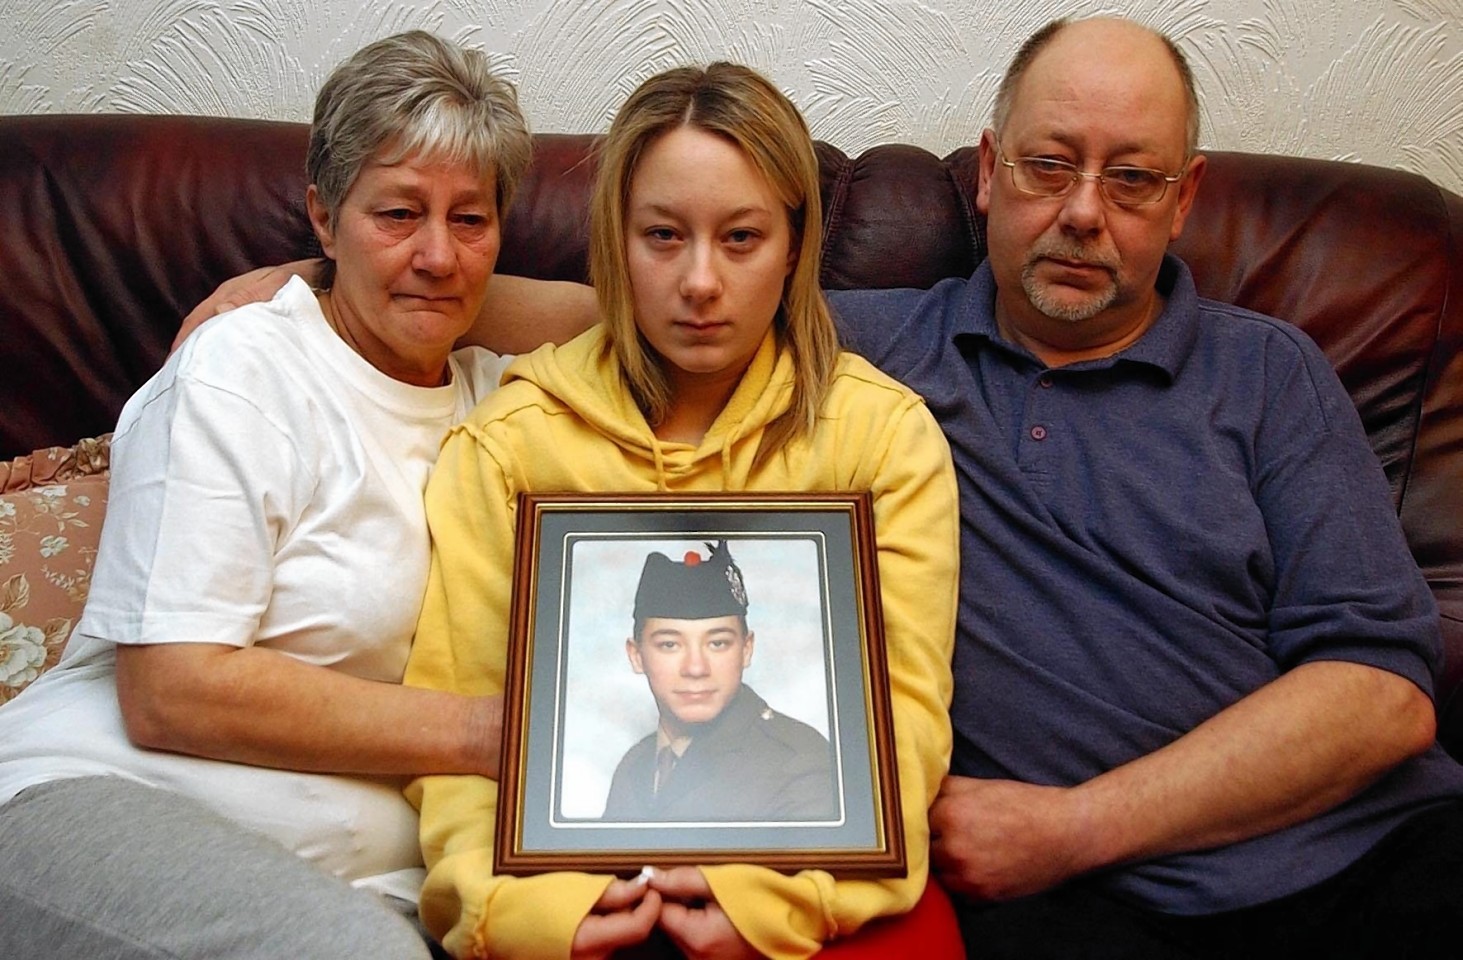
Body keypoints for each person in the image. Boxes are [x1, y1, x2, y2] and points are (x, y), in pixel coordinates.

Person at [825, 16, 1463, 959]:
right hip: (1077, 915)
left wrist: (1070, 828)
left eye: (1131, 179)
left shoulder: (1268, 373)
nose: (1084, 212)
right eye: (1050, 165)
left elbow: (1381, 691)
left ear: (1184, 199)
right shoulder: (860, 349)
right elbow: (633, 313)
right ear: (990, 171)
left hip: (1366, 856)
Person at [403, 62, 960, 960]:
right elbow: (459, 714)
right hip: (561, 896)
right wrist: (507, 914)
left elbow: (903, 721)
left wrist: (773, 904)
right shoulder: (510, 443)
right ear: (613, 244)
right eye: (663, 236)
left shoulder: (882, 440)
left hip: (815, 898)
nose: (700, 281)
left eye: (740, 238)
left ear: (794, 245)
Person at [0, 31, 536, 960]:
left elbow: (654, 312)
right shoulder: (244, 368)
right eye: (398, 213)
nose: (440, 255)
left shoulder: (505, 400)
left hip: (371, 880)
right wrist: (499, 734)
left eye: (471, 220)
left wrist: (407, 272)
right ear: (323, 218)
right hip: (95, 800)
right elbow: (174, 687)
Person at [602, 541, 836, 822]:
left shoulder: (799, 763)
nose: (696, 668)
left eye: (717, 643)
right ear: (636, 655)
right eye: (669, 645)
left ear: (746, 649)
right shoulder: (633, 767)